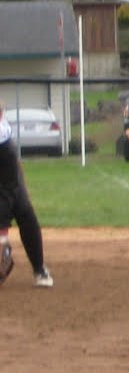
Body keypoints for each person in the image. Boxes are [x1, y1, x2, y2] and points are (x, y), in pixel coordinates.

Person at [0, 102, 52, 288]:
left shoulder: (3, 127)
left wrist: (22, 182)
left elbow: (14, 160)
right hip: (2, 188)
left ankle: (39, 269)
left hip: (15, 184)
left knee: (29, 222)